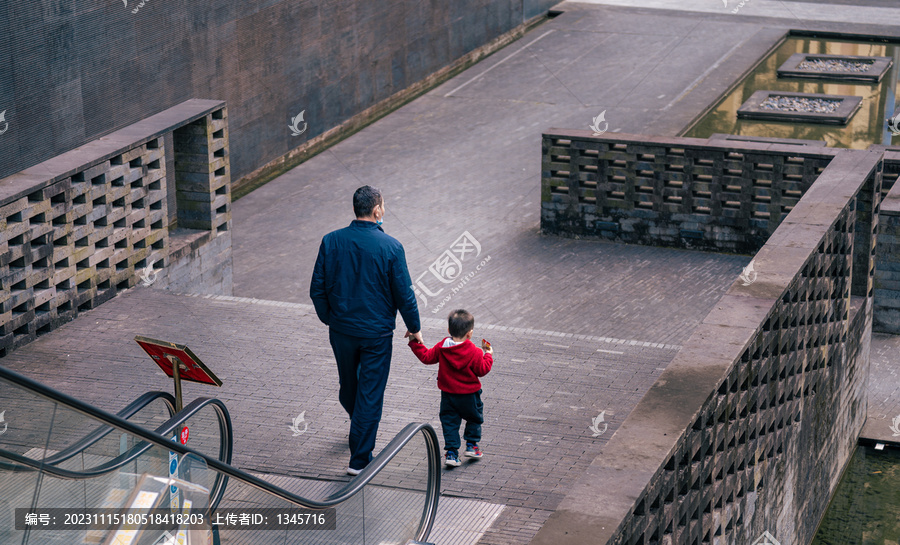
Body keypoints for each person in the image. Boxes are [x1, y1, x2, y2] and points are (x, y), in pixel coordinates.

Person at [310, 185, 423, 476]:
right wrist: (414, 328)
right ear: (376, 211)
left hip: (342, 332)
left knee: (349, 386)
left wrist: (330, 319)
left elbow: (317, 290)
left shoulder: (331, 241)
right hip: (376, 335)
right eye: (383, 206)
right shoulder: (392, 247)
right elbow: (404, 294)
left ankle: (359, 423)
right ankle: (359, 460)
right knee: (370, 394)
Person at [408, 309, 493, 467]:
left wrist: (414, 343)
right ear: (470, 334)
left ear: (449, 330)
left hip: (448, 395)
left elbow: (426, 357)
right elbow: (483, 370)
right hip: (470, 395)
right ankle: (472, 446)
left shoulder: (442, 347)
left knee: (450, 423)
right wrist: (488, 354)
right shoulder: (474, 351)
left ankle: (452, 454)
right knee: (474, 418)